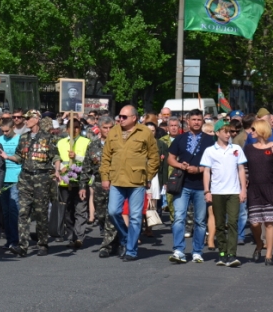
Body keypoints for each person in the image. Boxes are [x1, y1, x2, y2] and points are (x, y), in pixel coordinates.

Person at [100, 105, 160, 262]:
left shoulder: (145, 132)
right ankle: (126, 238)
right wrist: (105, 177)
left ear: (134, 118)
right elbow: (106, 157)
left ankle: (131, 250)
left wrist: (148, 176)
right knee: (113, 211)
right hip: (117, 179)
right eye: (119, 116)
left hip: (137, 181)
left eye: (124, 117)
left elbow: (154, 157)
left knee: (135, 217)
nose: (120, 119)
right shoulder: (114, 131)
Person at [0, 110, 60, 257]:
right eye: (25, 118)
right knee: (23, 212)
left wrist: (57, 171)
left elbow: (56, 157)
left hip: (42, 179)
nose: (26, 120)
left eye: (28, 118)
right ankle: (23, 245)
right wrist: (7, 157)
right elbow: (19, 156)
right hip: (26, 179)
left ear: (36, 119)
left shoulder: (48, 137)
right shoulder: (24, 138)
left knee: (40, 213)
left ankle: (42, 243)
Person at [167, 109, 215, 264]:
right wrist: (181, 166)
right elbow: (170, 159)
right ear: (187, 121)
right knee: (179, 218)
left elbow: (215, 162)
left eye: (198, 119)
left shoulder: (210, 140)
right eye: (193, 119)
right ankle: (179, 250)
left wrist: (200, 169)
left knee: (200, 221)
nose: (196, 122)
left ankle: (197, 251)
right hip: (183, 185)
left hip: (202, 185)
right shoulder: (180, 139)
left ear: (202, 121)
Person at [201, 119, 248, 267]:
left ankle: (232, 254)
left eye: (230, 132)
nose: (228, 134)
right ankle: (222, 253)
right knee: (220, 224)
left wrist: (243, 190)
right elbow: (206, 172)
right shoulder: (210, 151)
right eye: (225, 132)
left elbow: (241, 169)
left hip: (233, 191)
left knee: (233, 222)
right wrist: (207, 190)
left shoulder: (236, 149)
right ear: (217, 133)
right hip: (217, 192)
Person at [245, 119, 273, 265]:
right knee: (255, 223)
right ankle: (259, 244)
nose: (251, 132)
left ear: (261, 131)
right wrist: (243, 184)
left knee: (270, 223)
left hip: (271, 187)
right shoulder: (249, 148)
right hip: (254, 189)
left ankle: (269, 254)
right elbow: (244, 168)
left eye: (253, 129)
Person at [82, 115, 119, 257]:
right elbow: (86, 166)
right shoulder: (93, 145)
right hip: (98, 183)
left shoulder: (118, 144)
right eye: (105, 128)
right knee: (101, 215)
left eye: (111, 128)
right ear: (100, 128)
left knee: (113, 213)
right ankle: (110, 238)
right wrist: (82, 186)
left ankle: (108, 245)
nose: (108, 130)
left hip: (115, 182)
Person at [57, 121, 90, 249]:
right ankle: (70, 236)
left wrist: (76, 157)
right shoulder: (60, 143)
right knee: (68, 211)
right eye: (72, 128)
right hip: (65, 182)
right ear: (66, 129)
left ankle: (80, 237)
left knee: (80, 209)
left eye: (77, 127)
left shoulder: (86, 142)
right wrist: (59, 170)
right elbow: (56, 159)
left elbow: (89, 160)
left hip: (81, 180)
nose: (74, 130)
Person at [0, 121, 20, 255]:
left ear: (13, 127)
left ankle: (15, 240)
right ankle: (9, 239)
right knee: (5, 212)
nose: (5, 134)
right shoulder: (0, 140)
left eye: (7, 131)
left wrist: (9, 157)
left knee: (14, 210)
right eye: (3, 131)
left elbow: (21, 158)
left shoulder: (19, 139)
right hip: (3, 180)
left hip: (15, 178)